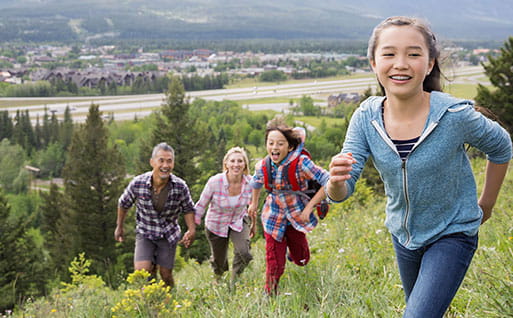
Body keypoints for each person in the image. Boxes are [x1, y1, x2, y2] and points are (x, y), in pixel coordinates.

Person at [326, 16, 512, 318]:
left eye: (413, 54)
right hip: (404, 237)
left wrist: (486, 205)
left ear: (429, 64)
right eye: (389, 54)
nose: (401, 63)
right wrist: (335, 183)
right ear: (373, 62)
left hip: (453, 233)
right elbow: (343, 189)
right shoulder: (365, 117)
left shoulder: (454, 116)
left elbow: (502, 146)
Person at [248, 118, 330, 295]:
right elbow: (255, 183)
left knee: (301, 259)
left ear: (290, 147)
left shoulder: (301, 164)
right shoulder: (264, 165)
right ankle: (269, 293)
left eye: (280, 143)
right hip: (273, 216)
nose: (274, 148)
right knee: (273, 261)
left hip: (296, 215)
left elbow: (327, 181)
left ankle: (293, 255)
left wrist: (309, 209)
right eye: (270, 143)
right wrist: (253, 204)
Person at [115, 142, 196, 288]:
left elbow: (188, 208)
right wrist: (119, 227)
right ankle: (150, 304)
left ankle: (170, 297)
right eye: (161, 160)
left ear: (173, 163)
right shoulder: (138, 183)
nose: (165, 165)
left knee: (165, 274)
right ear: (152, 162)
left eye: (169, 161)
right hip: (145, 232)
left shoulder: (179, 186)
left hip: (168, 235)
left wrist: (191, 229)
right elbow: (123, 203)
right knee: (143, 272)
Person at [194, 147, 255, 287]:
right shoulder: (215, 182)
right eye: (232, 161)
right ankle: (219, 278)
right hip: (216, 223)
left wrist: (253, 225)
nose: (236, 164)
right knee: (219, 261)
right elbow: (201, 205)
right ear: (226, 164)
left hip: (239, 220)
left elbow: (253, 206)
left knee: (244, 253)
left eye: (240, 161)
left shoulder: (250, 183)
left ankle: (235, 279)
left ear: (245, 164)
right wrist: (192, 227)